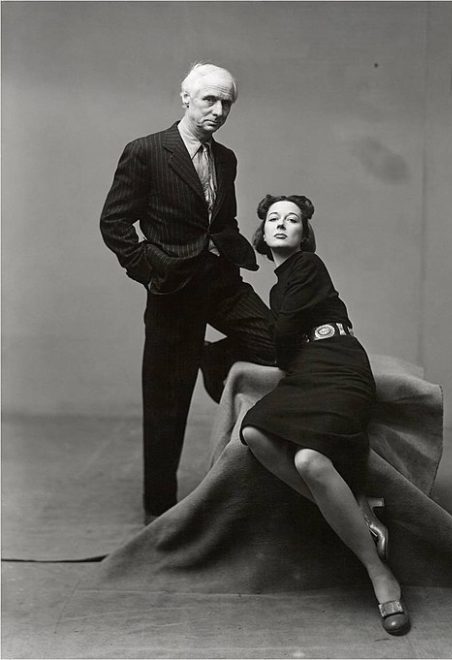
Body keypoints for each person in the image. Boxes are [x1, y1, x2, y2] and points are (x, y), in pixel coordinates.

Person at [100, 63, 275, 522]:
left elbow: (223, 219)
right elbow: (114, 221)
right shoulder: (146, 151)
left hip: (220, 282)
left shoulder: (226, 158)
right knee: (166, 404)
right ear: (186, 99)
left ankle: (211, 358)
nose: (218, 110)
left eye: (226, 103)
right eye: (209, 100)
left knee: (276, 341)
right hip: (173, 289)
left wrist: (239, 249)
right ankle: (158, 512)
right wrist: (150, 269)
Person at [240, 194, 410, 636]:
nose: (281, 224)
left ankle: (378, 572)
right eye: (273, 218)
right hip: (307, 371)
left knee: (309, 460)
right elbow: (283, 346)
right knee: (254, 432)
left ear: (304, 234)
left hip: (339, 365)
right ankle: (359, 509)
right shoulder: (278, 286)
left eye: (291, 219)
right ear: (262, 233)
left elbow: (281, 334)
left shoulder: (307, 266)